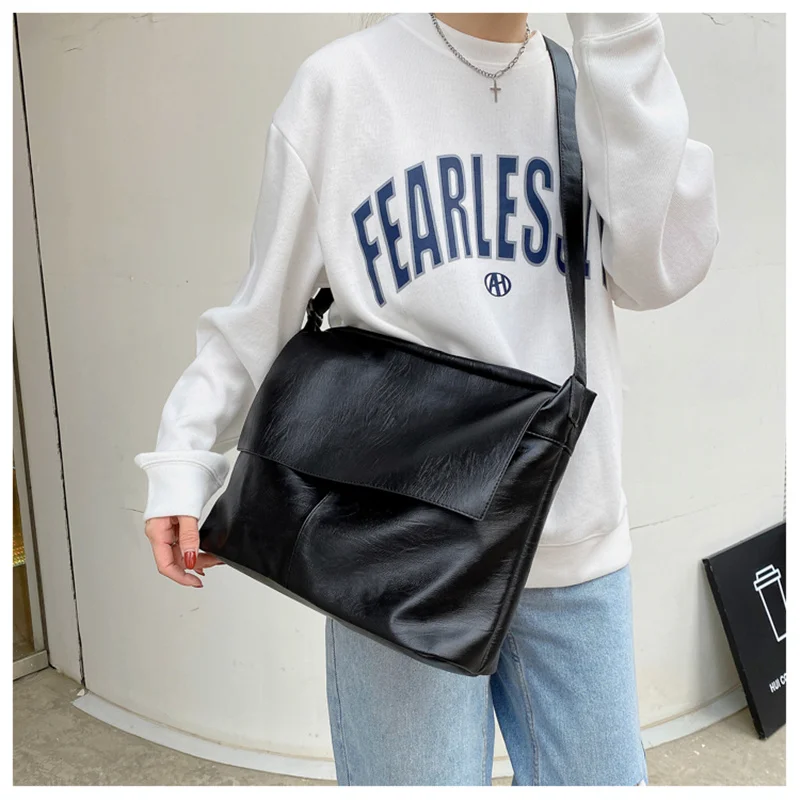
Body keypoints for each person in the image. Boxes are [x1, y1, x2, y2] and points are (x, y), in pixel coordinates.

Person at [134, 12, 719, 786]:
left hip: (572, 535)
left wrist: (618, 31)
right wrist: (184, 454)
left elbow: (659, 271)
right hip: (394, 544)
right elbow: (262, 309)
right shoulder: (342, 85)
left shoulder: (596, 82)